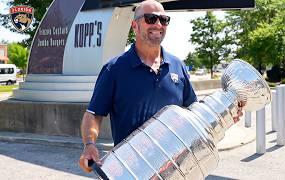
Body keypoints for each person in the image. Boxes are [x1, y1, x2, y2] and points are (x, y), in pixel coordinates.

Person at [79, 0, 242, 173]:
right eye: (151, 18)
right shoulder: (114, 69)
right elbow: (94, 114)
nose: (158, 24)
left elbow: (194, 113)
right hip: (132, 170)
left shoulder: (177, 65)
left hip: (176, 168)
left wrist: (225, 114)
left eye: (163, 20)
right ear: (135, 25)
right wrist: (89, 144)